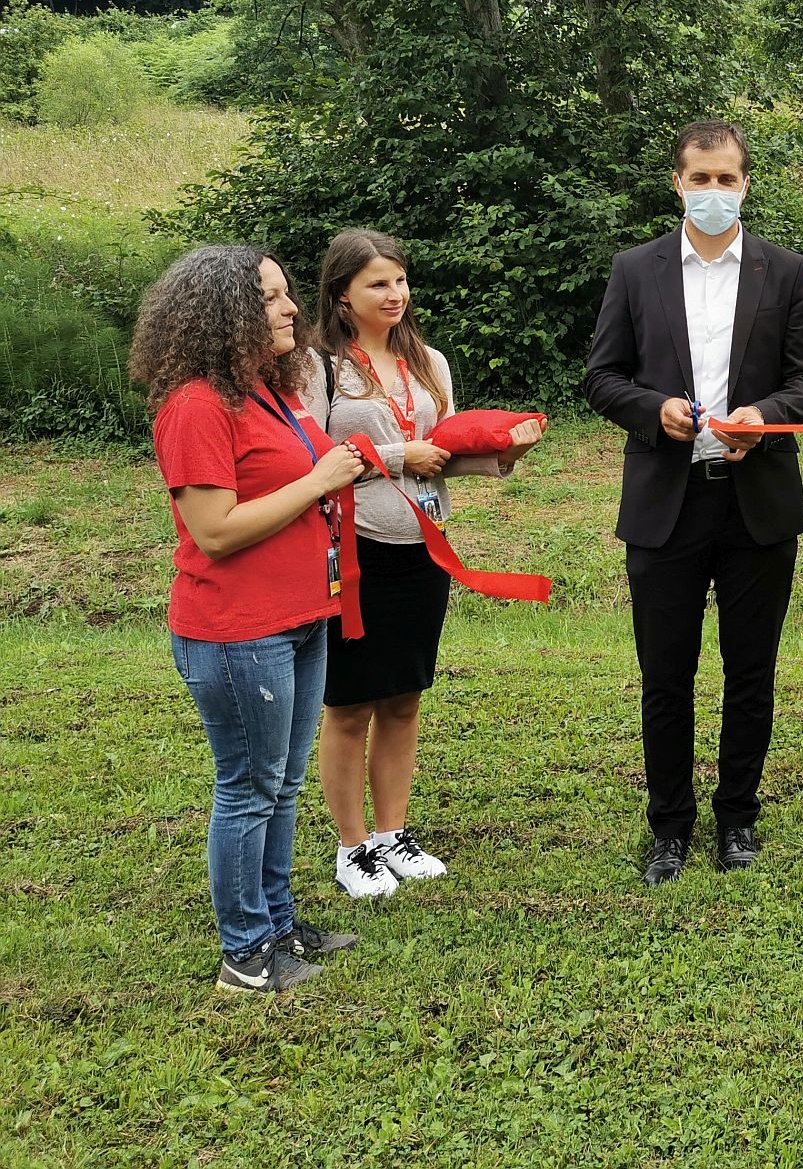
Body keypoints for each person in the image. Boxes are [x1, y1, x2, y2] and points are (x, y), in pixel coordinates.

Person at [585, 120, 803, 885]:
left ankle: (738, 819)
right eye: (702, 178)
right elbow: (601, 376)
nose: (715, 192)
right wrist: (652, 408)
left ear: (746, 184)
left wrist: (767, 414)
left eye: (728, 179)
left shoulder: (785, 271)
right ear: (677, 183)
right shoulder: (636, 270)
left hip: (756, 501)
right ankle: (669, 826)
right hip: (667, 500)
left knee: (750, 669)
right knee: (666, 672)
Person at [130, 245, 365, 993]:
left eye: (286, 294)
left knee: (282, 783)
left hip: (300, 617)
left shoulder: (265, 391)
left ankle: (279, 922)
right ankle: (245, 955)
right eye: (270, 298)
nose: (291, 308)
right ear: (224, 314)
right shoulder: (196, 405)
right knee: (248, 786)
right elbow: (217, 530)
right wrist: (319, 482)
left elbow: (326, 463)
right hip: (238, 631)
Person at [307, 230, 544, 899]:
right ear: (341, 293)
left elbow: (444, 456)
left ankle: (392, 836)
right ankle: (352, 848)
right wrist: (395, 456)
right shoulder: (319, 367)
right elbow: (306, 467)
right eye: (378, 283)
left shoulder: (429, 363)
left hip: (424, 550)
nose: (395, 294)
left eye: (401, 281)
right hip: (355, 556)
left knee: (405, 698)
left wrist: (504, 454)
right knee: (350, 704)